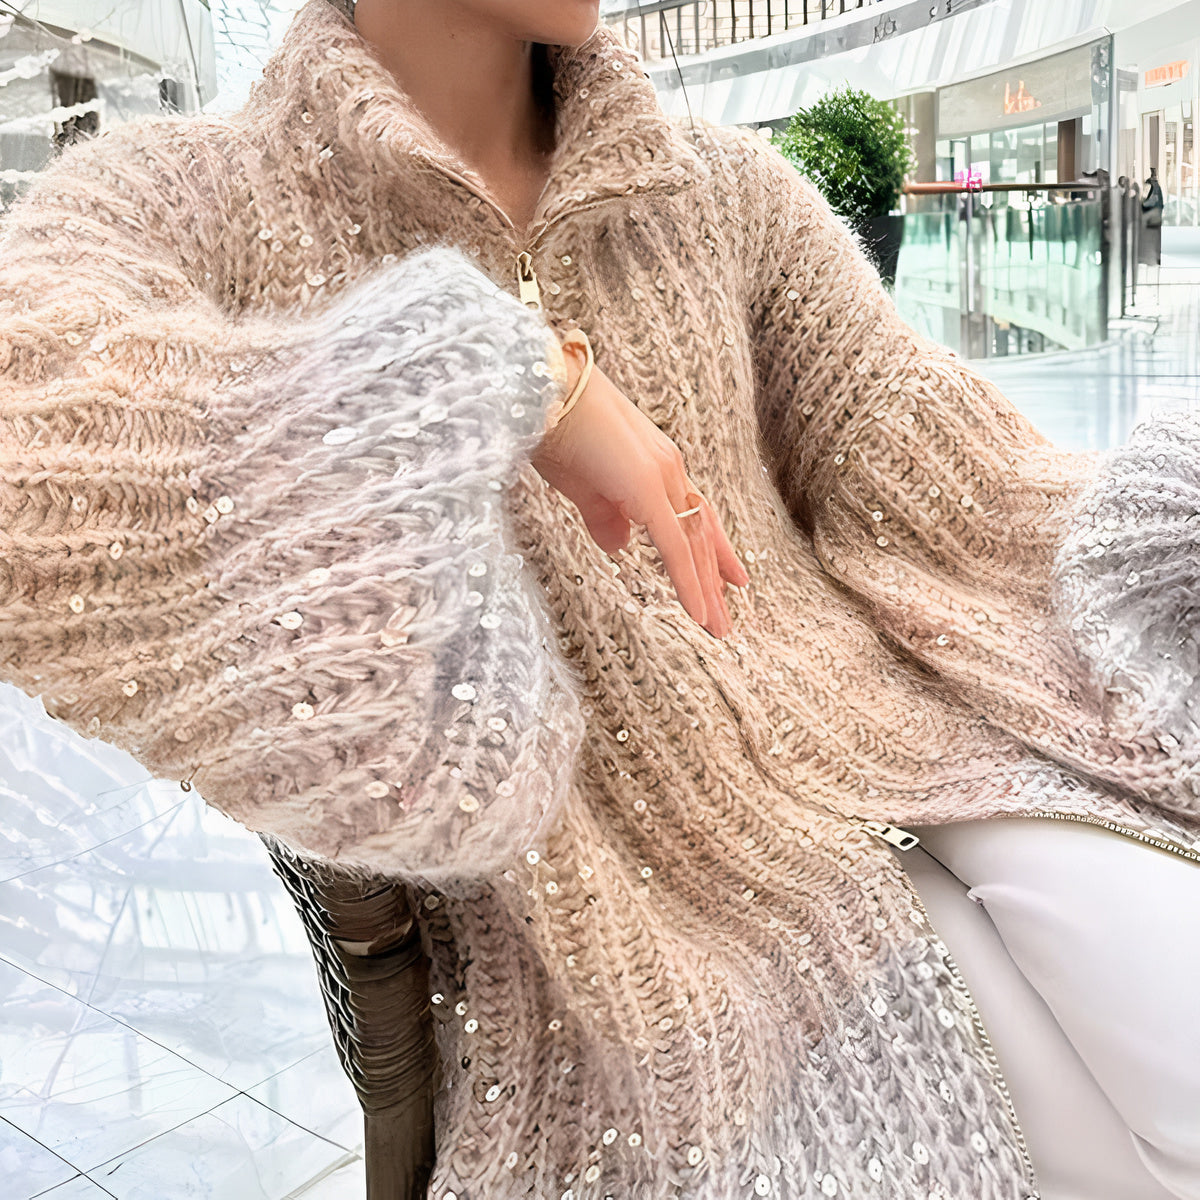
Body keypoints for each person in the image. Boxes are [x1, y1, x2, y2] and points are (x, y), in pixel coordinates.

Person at [0, 1, 1198, 1198]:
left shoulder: (714, 189)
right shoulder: (196, 200)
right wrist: (498, 377)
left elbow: (935, 454)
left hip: (912, 747)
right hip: (633, 908)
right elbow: (31, 451)